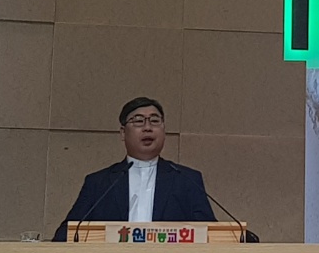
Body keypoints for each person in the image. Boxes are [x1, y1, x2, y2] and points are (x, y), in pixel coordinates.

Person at [52, 97, 217, 241]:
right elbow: (66, 234)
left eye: (154, 121)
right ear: (123, 133)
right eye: (138, 121)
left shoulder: (186, 180)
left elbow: (211, 235)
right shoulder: (100, 183)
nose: (147, 127)